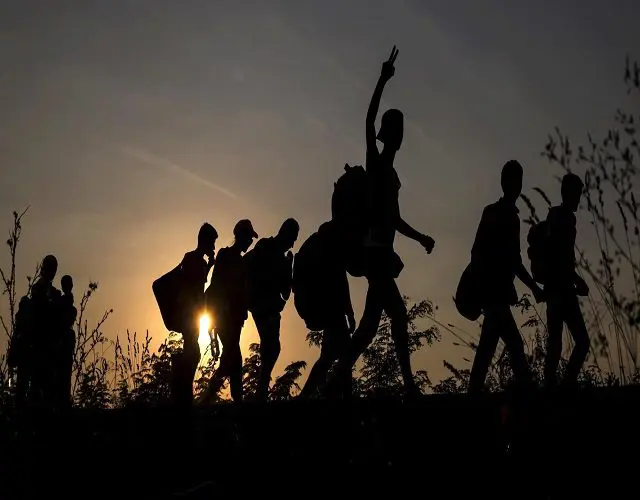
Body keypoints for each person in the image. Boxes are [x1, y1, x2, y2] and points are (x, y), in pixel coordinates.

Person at [330, 47, 435, 399]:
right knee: (400, 317)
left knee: (368, 328)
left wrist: (420, 238)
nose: (400, 134)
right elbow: (367, 120)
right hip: (374, 253)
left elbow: (395, 219)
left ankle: (337, 377)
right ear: (391, 135)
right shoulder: (375, 165)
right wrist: (382, 79)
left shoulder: (390, 175)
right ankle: (409, 386)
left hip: (382, 252)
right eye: (397, 129)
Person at [467, 160, 544, 394]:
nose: (515, 185)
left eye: (518, 180)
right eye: (513, 180)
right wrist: (533, 287)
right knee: (512, 345)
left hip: (495, 294)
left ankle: (475, 394)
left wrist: (532, 286)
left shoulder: (505, 215)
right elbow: (484, 254)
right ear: (505, 183)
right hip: (494, 293)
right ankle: (527, 395)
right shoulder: (500, 214)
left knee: (489, 348)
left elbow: (511, 259)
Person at [296, 221, 356, 399]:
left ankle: (309, 395)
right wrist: (350, 313)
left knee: (329, 357)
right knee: (343, 355)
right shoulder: (329, 250)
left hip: (323, 309)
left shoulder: (313, 247)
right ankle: (343, 396)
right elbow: (341, 282)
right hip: (332, 310)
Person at [201, 219, 257, 404]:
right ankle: (213, 399)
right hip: (226, 317)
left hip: (234, 317)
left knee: (232, 358)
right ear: (240, 236)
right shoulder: (226, 255)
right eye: (249, 237)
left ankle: (220, 399)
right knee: (232, 358)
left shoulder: (240, 261)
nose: (250, 241)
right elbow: (217, 285)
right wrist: (222, 312)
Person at [544, 173, 590, 388]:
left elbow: (560, 256)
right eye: (578, 194)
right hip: (561, 290)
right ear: (569, 194)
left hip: (556, 289)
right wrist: (575, 280)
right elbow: (560, 256)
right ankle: (565, 385)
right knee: (580, 341)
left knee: (555, 342)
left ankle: (552, 387)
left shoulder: (556, 217)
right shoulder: (565, 219)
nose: (580, 199)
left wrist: (574, 279)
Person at [246, 218, 299, 401]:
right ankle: (260, 391)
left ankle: (261, 389)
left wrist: (289, 267)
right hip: (261, 305)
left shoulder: (281, 258)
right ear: (285, 233)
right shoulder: (265, 246)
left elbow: (285, 293)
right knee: (271, 347)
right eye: (293, 238)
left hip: (268, 307)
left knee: (272, 348)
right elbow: (249, 267)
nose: (293, 243)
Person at [171, 223, 217, 408]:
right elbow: (194, 287)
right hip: (188, 314)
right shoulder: (192, 259)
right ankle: (182, 395)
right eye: (212, 243)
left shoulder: (199, 261)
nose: (213, 247)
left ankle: (184, 395)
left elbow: (199, 285)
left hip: (193, 314)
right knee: (193, 352)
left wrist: (210, 266)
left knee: (192, 352)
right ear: (205, 241)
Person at [30, 254, 61, 408]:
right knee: (39, 387)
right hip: (40, 345)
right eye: (51, 269)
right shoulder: (38, 290)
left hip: (48, 347)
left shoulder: (52, 292)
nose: (53, 272)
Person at [57, 274, 77, 409]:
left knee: (64, 375)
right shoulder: (62, 302)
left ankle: (63, 402)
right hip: (61, 342)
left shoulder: (63, 303)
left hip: (63, 342)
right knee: (63, 376)